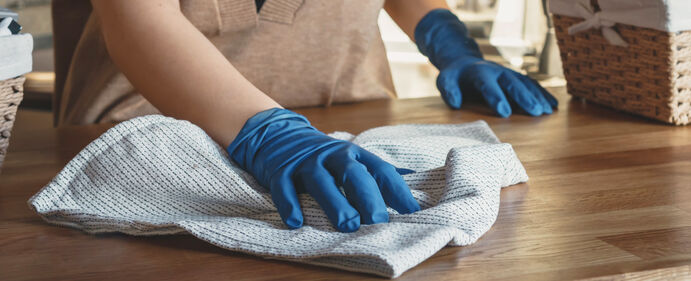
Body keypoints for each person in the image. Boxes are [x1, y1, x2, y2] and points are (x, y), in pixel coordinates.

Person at [59, 0, 557, 232]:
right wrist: (270, 131)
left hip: (351, 136)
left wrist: (448, 41)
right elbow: (138, 17)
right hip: (150, 153)